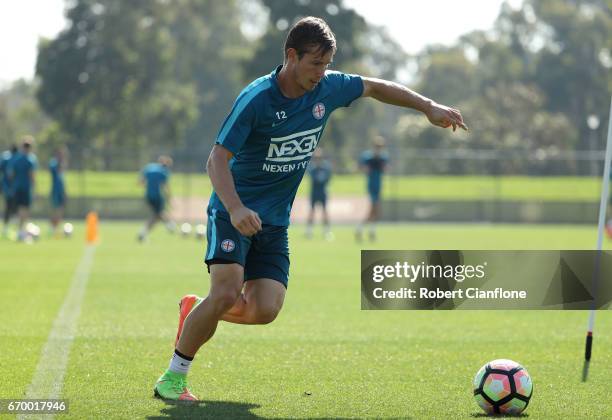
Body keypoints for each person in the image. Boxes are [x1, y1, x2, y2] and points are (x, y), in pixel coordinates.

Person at [154, 16, 467, 401]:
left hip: (274, 222)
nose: (322, 73)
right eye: (315, 63)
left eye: (326, 64)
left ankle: (193, 312)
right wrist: (235, 208)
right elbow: (216, 159)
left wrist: (428, 106)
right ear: (291, 56)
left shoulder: (327, 89)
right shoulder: (256, 98)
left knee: (265, 310)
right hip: (233, 212)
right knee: (226, 292)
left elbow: (375, 87)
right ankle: (173, 378)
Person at [355, 136, 389, 242]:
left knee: (374, 212)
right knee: (375, 210)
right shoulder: (368, 157)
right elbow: (361, 167)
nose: (379, 148)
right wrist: (365, 169)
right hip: (372, 185)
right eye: (377, 146)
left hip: (379, 185)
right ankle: (363, 230)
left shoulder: (383, 157)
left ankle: (368, 232)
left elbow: (386, 169)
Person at [138, 155, 175, 242]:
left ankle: (143, 233)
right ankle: (170, 225)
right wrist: (169, 199)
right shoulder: (163, 172)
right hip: (157, 196)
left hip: (148, 195)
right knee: (158, 214)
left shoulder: (149, 167)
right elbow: (165, 187)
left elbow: (140, 182)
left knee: (157, 215)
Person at [11, 136, 38, 241]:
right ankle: (22, 232)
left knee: (19, 210)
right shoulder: (30, 160)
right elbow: (32, 176)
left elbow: (12, 175)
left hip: (17, 188)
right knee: (25, 210)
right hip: (26, 188)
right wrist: (35, 188)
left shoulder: (17, 159)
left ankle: (20, 230)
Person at [305, 148, 333, 240]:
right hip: (314, 192)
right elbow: (314, 178)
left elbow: (328, 178)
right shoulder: (312, 168)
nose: (318, 159)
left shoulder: (326, 168)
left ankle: (327, 231)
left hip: (323, 192)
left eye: (319, 158)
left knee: (325, 212)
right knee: (312, 212)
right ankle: (309, 231)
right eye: (316, 158)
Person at [49, 147, 68, 237]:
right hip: (55, 190)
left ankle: (57, 228)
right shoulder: (54, 163)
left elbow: (62, 179)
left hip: (61, 190)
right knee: (55, 209)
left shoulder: (62, 164)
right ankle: (52, 228)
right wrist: (60, 164)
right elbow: (54, 171)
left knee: (61, 210)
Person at [0, 144, 18, 237]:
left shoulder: (5, 157)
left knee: (9, 206)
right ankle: (9, 228)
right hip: (10, 187)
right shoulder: (12, 158)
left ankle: (8, 227)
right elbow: (10, 173)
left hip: (7, 186)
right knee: (11, 207)